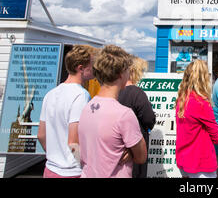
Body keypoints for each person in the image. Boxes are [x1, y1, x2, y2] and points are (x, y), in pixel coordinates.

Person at [78, 45, 147, 178]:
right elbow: (141, 157)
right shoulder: (124, 114)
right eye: (128, 70)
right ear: (121, 74)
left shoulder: (87, 107)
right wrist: (131, 152)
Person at [37, 44, 99, 178]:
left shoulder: (51, 94)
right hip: (71, 172)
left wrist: (56, 156)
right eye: (92, 65)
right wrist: (83, 165)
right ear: (81, 68)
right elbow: (73, 141)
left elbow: (41, 135)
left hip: (50, 169)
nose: (94, 69)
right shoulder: (81, 95)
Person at [175, 60, 218, 178]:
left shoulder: (182, 99)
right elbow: (217, 138)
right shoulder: (201, 103)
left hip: (184, 160)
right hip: (200, 163)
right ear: (204, 79)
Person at [118, 55, 156, 178]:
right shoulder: (137, 93)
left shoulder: (116, 91)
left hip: (117, 147)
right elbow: (149, 119)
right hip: (135, 148)